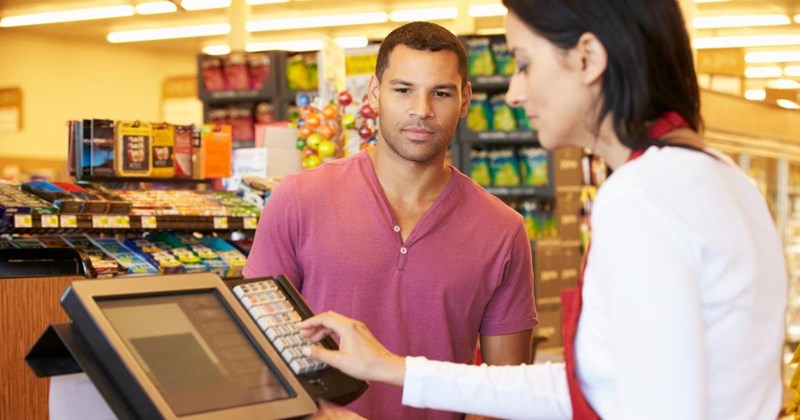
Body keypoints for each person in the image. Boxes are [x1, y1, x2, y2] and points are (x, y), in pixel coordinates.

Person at [297, 1, 789, 419]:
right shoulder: (719, 176)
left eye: (525, 62)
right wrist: (391, 367)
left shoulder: (641, 197)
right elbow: (600, 385)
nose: (514, 91)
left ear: (588, 57)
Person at [243, 21, 537, 419]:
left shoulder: (503, 229)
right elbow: (255, 354)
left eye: (441, 93)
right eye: (403, 90)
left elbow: (507, 393)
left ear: (465, 99)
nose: (422, 110)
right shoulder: (298, 200)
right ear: (374, 92)